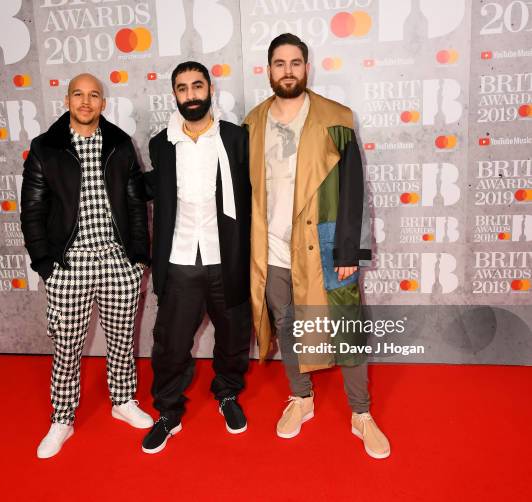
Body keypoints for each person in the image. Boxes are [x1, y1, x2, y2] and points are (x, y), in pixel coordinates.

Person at [243, 34, 390, 459]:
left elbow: (353, 191)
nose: (287, 70)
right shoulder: (252, 124)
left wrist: (350, 252)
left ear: (307, 68)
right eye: (279, 63)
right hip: (271, 250)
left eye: (295, 62)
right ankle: (301, 398)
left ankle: (361, 414)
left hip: (325, 247)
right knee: (290, 325)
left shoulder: (335, 118)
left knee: (347, 331)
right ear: (268, 70)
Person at [21, 73, 152, 459]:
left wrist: (138, 258)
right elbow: (32, 211)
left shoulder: (119, 144)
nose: (86, 101)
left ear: (102, 103)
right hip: (69, 265)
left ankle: (122, 401)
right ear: (66, 100)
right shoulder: (46, 148)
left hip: (117, 262)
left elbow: (134, 206)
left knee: (121, 341)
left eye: (94, 95)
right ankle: (62, 419)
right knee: (67, 347)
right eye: (78, 94)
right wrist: (47, 265)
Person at [142, 61, 252, 454]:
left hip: (228, 257)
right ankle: (168, 412)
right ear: (175, 94)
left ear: (210, 90)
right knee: (170, 344)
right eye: (183, 88)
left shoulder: (238, 139)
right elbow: (153, 190)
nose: (191, 94)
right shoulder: (161, 143)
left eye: (197, 86)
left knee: (235, 337)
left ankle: (226, 393)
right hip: (180, 257)